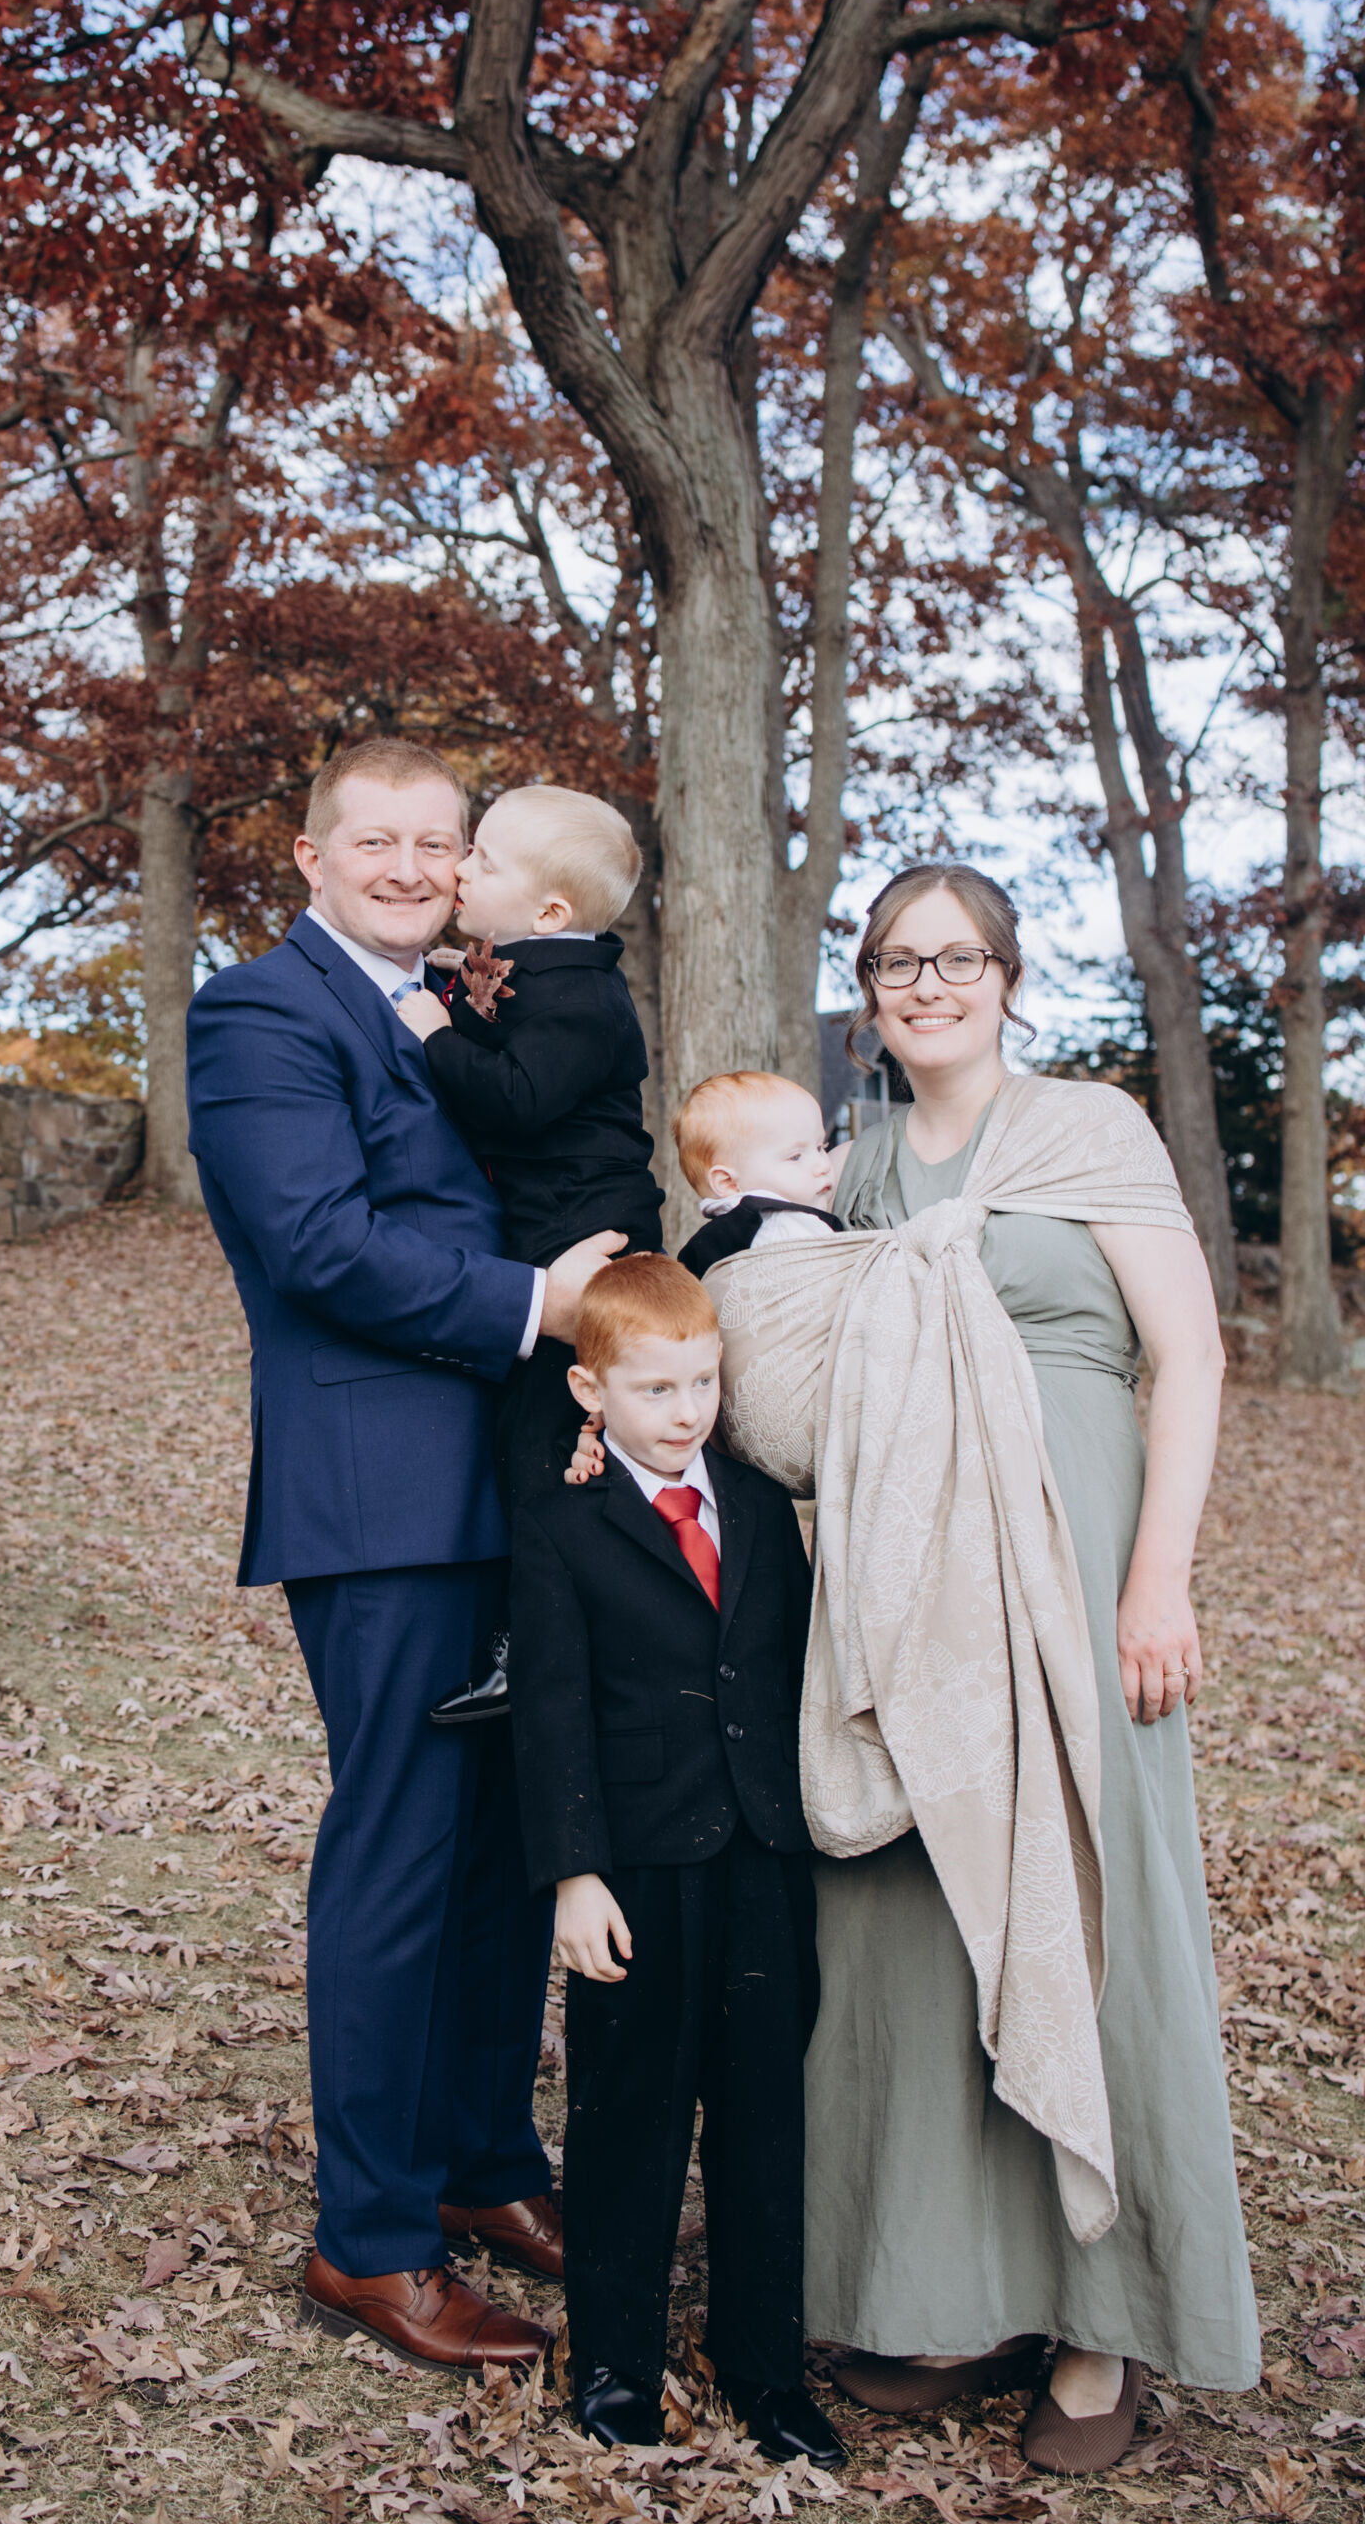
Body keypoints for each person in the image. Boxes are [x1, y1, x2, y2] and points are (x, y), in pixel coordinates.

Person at [802, 863, 1258, 2475]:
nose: (928, 984)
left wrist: (1158, 1579)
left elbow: (1189, 1356)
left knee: (1086, 1891)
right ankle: (948, 2284)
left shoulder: (1091, 1130)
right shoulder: (857, 1162)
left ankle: (1100, 2315)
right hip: (909, 1581)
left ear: (1008, 977)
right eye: (897, 961)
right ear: (869, 993)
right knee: (917, 1915)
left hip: (1079, 1567)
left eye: (959, 957)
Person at [183, 737, 623, 2374]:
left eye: (439, 843)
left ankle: (482, 2161)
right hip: (382, 1497)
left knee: (513, 1835)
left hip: (521, 1484)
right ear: (311, 856)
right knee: (402, 1848)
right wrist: (539, 1302)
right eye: (376, 839)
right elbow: (317, 1245)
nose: (411, 867)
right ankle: (368, 2241)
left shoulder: (471, 1007)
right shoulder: (262, 1014)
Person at [510, 1255, 844, 2471]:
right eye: (656, 1388)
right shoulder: (561, 1524)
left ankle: (766, 2370)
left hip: (763, 1859)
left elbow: (794, 1666)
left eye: (703, 1382)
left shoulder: (756, 1506)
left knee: (763, 2124)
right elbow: (550, 1712)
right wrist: (574, 1874)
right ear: (591, 1391)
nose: (687, 1410)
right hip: (639, 1872)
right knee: (630, 2120)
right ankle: (615, 2366)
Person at [392, 783, 661, 1727]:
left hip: (589, 1236)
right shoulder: (536, 970)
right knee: (533, 1436)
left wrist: (435, 1033)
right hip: (544, 1227)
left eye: (483, 858)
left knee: (550, 1443)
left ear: (549, 912)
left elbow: (514, 1099)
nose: (459, 866)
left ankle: (542, 1645)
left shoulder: (584, 997)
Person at [671, 1071, 844, 1286]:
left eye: (820, 1147)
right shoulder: (784, 1228)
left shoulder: (710, 1244)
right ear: (728, 1183)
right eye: (795, 1157)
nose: (823, 1165)